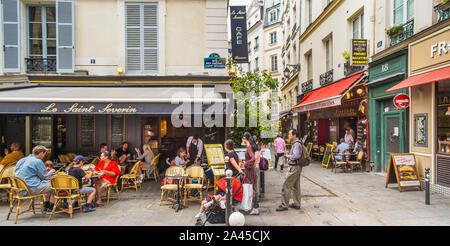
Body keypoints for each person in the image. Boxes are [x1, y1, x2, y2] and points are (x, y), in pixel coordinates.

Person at [14, 145, 57, 214]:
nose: (44, 156)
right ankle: (51, 208)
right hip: (31, 187)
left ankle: (46, 205)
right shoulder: (37, 161)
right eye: (44, 154)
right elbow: (45, 176)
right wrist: (52, 172)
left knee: (46, 184)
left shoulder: (21, 160)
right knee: (56, 185)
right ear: (41, 153)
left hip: (20, 189)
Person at [276, 129, 303, 212]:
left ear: (294, 135)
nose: (288, 136)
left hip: (294, 167)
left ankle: (284, 205)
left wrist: (288, 156)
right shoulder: (296, 143)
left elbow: (296, 155)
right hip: (296, 167)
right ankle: (297, 204)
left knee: (286, 185)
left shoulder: (297, 144)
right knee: (296, 187)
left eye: (290, 134)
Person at [241, 132, 260, 215]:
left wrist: (245, 163)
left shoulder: (249, 147)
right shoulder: (250, 147)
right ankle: (253, 207)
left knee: (252, 189)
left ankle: (255, 208)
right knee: (252, 189)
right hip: (251, 170)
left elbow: (253, 158)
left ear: (244, 138)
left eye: (242, 138)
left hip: (250, 171)